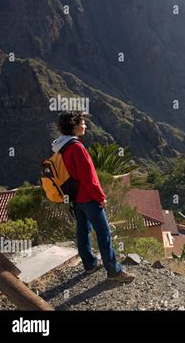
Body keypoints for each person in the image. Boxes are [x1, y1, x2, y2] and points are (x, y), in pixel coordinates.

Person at [51, 111, 135, 283]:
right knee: (104, 234)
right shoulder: (77, 148)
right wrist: (101, 197)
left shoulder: (61, 148)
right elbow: (88, 178)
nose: (85, 126)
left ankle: (89, 264)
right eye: (82, 123)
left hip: (74, 199)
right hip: (88, 198)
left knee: (82, 232)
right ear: (75, 126)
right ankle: (114, 272)